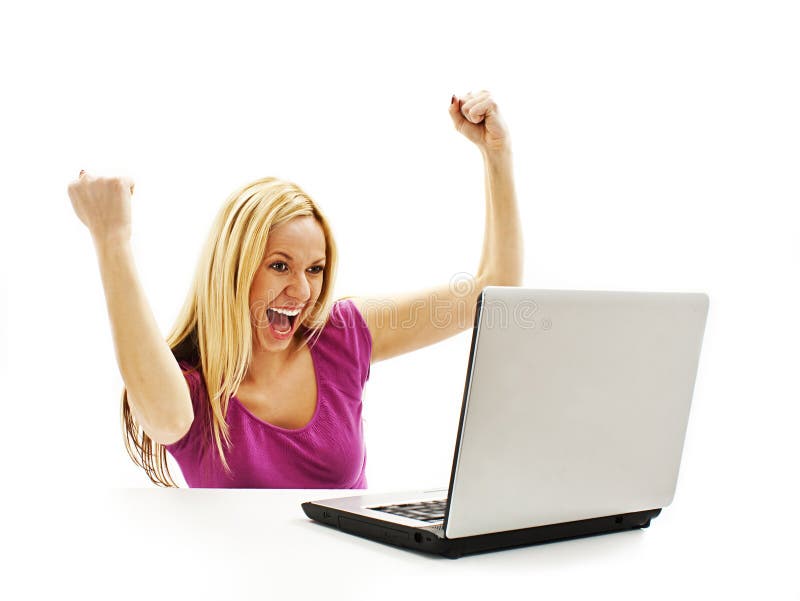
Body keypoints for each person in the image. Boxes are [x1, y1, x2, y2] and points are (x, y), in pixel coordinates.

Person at [67, 90, 524, 488]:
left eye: (316, 268)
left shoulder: (343, 333)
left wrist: (496, 155)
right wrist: (111, 239)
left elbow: (492, 292)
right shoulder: (186, 389)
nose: (302, 290)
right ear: (234, 269)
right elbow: (164, 419)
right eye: (280, 266)